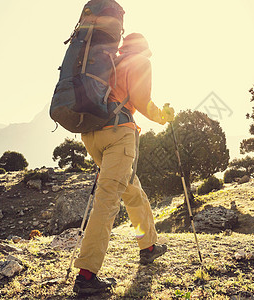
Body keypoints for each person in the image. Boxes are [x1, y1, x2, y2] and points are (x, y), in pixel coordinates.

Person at [73, 33, 175, 295]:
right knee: (107, 202)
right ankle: (86, 276)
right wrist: (163, 117)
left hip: (93, 135)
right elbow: (141, 101)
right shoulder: (139, 61)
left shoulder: (107, 63)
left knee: (133, 193)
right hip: (119, 135)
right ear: (144, 49)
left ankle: (148, 246)